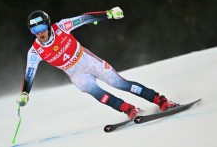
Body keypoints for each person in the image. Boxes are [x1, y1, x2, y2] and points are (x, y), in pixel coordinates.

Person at [16, 7, 177, 120]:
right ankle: (128, 109)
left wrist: (109, 14)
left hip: (87, 60)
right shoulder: (35, 52)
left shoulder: (62, 27)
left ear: (49, 25)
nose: (40, 33)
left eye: (42, 27)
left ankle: (160, 100)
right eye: (34, 31)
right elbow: (29, 74)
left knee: (120, 83)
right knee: (94, 91)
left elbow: (86, 18)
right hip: (76, 73)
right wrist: (25, 93)